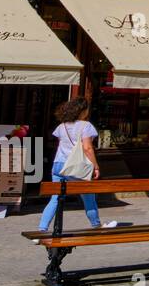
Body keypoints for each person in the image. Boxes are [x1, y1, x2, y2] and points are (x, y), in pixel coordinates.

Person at [38, 99, 117, 232]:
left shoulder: (61, 126)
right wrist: (95, 166)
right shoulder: (86, 126)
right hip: (74, 166)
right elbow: (87, 148)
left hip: (58, 165)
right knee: (88, 196)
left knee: (55, 198)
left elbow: (62, 145)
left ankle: (42, 229)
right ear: (82, 111)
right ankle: (96, 225)